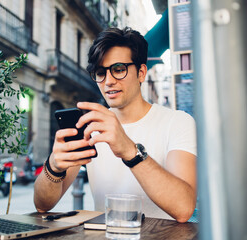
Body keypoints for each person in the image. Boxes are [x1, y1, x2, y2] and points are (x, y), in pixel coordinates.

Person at [34, 27, 197, 222]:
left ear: (141, 73)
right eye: (100, 72)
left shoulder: (177, 122)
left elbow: (184, 208)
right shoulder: (90, 127)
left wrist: (130, 151)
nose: (108, 81)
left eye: (119, 69)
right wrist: (53, 167)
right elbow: (42, 205)